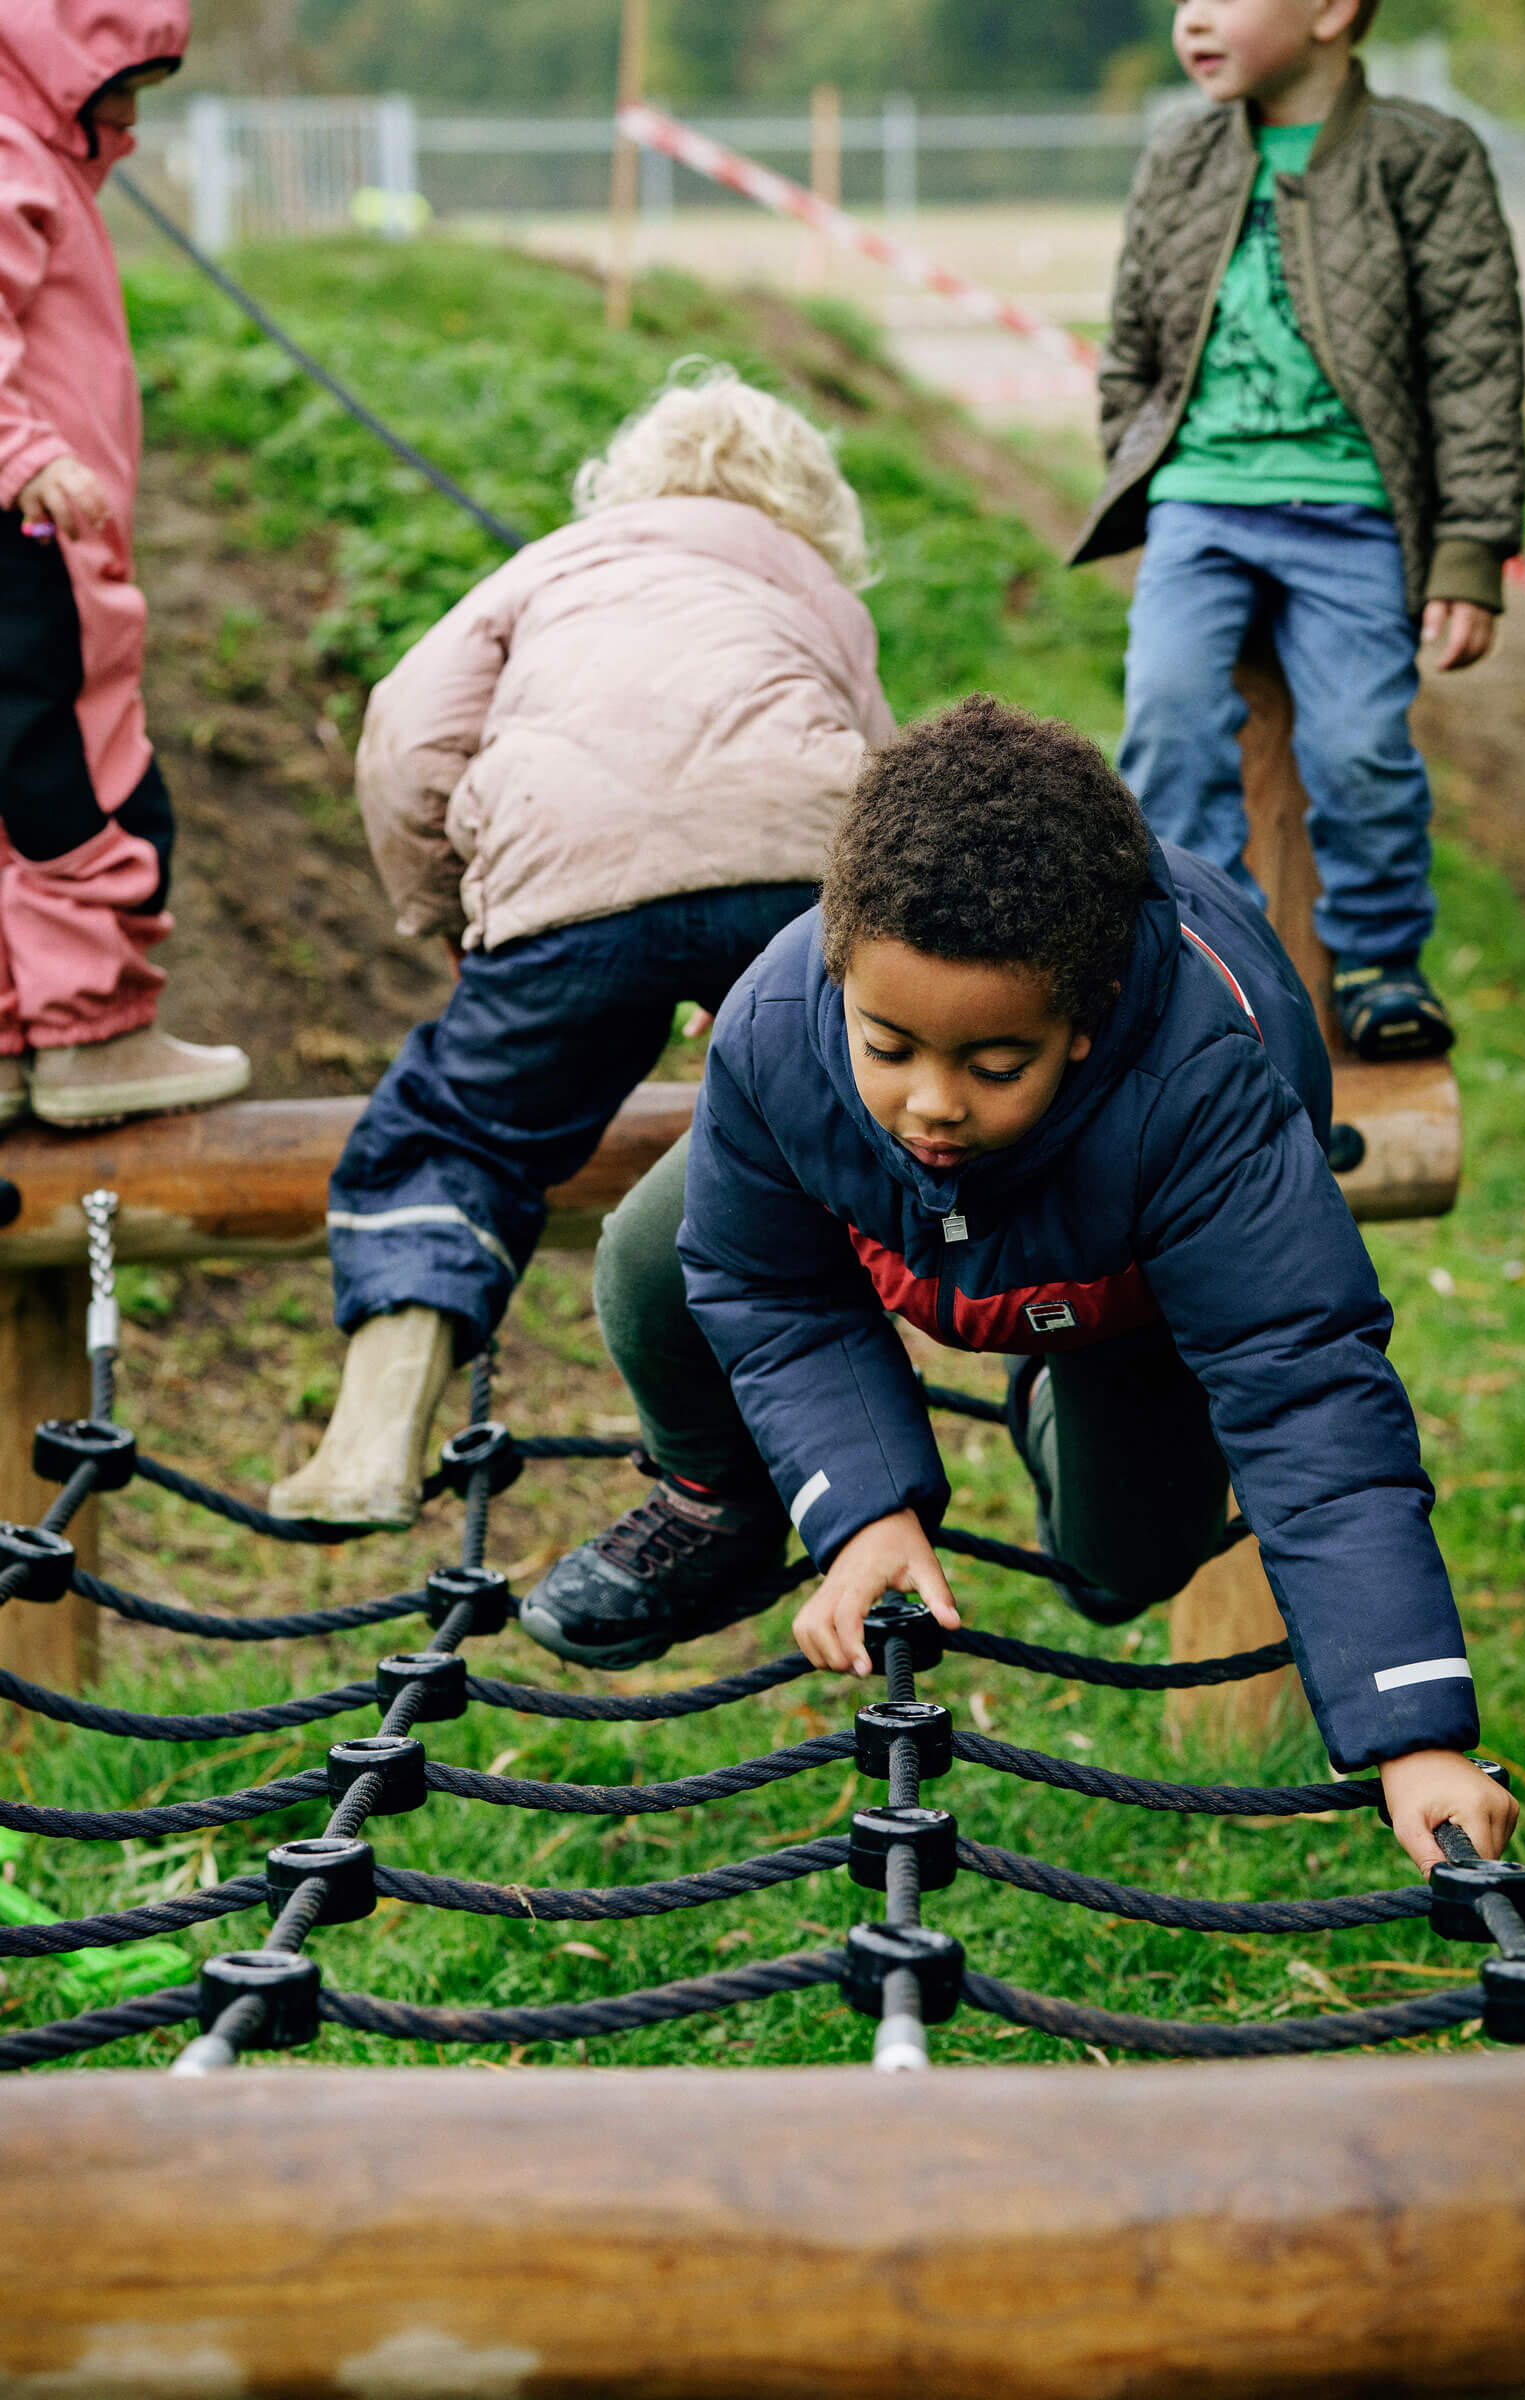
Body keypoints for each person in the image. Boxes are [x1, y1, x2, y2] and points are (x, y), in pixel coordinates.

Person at [528, 697, 1513, 1875]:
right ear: (841, 974)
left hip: (1120, 1289)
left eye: (993, 1065)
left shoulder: (1202, 1092)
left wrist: (1415, 1730)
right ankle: (723, 1508)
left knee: (1121, 1571)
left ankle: (1054, 1399)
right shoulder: (779, 1024)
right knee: (656, 1253)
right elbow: (767, 1286)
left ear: (1084, 1023)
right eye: (888, 1046)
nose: (934, 1102)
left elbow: (1304, 1392)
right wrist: (861, 1509)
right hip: (892, 1221)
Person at [270, 364, 895, 1531]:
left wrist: (458, 914)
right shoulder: (813, 592)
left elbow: (408, 739)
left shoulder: (551, 566)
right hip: (797, 878)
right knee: (840, 1119)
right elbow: (884, 780)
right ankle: (823, 1446)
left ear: (626, 481)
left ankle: (369, 1438)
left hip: (567, 880)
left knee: (455, 1133)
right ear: (814, 509)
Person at [1070, 0, 1525, 1062]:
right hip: (1202, 500)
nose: (1192, 18)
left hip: (1354, 510)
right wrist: (1133, 461)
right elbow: (1130, 335)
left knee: (1360, 741)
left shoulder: (1425, 157)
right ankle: (1195, 954)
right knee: (1169, 715)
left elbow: (1474, 363)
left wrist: (1468, 552)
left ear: (1330, 9)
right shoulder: (1178, 152)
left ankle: (1377, 961)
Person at [0, 1, 250, 1126]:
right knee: (86, 775)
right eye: (127, 85)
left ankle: (17, 1036)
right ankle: (93, 1032)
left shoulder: (31, 142)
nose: (136, 119)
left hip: (33, 513)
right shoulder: (12, 147)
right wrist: (25, 451)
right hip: (37, 527)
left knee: (20, 778)